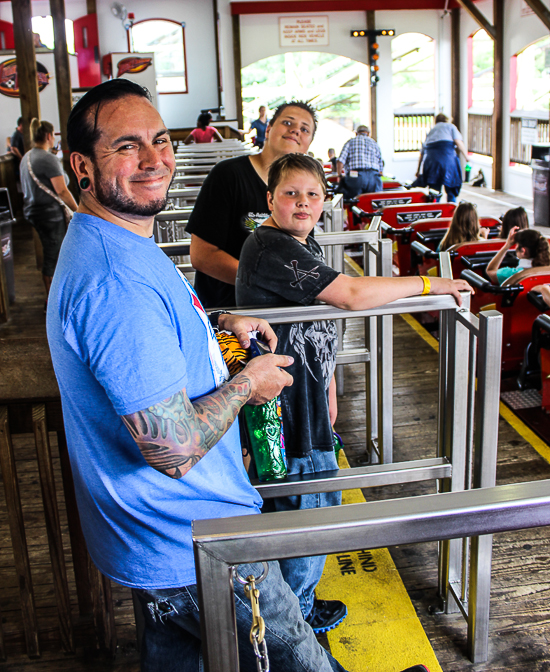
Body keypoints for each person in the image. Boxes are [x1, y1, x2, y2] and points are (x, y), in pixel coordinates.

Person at [47, 78, 354, 672]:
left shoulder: (116, 241)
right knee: (305, 664)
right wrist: (249, 383)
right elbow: (172, 447)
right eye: (126, 146)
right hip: (194, 544)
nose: (154, 159)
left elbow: (145, 345)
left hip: (157, 539)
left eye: (160, 140)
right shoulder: (114, 280)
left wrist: (214, 322)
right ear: (82, 168)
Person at [236, 153, 472, 633]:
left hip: (310, 403)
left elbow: (323, 325)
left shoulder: (307, 242)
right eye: (290, 193)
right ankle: (293, 626)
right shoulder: (269, 248)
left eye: (312, 194)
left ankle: (300, 603)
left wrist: (331, 386)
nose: (302, 202)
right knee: (301, 514)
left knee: (321, 505)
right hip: (282, 413)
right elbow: (351, 296)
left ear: (325, 201)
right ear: (269, 199)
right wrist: (432, 282)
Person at [187, 100, 317, 309]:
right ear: (268, 129)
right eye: (287, 122)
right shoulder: (228, 175)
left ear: (308, 143)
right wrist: (265, 283)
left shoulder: (305, 192)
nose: (295, 131)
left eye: (304, 129)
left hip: (284, 314)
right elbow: (202, 255)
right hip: (229, 313)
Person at [20, 118, 78, 306]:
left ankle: (54, 297)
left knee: (50, 251)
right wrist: (78, 211)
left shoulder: (27, 157)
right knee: (54, 254)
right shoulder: (48, 159)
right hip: (50, 215)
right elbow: (61, 190)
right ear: (48, 136)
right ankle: (52, 302)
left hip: (33, 212)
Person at [413, 113, 468, 203]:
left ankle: (435, 211)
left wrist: (418, 170)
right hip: (448, 161)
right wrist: (466, 156)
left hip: (432, 163)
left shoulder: (432, 131)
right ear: (447, 119)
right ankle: (452, 211)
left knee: (435, 192)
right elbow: (458, 142)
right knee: (451, 190)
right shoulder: (451, 127)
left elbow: (422, 153)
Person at [486, 227, 550, 284]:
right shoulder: (546, 271)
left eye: (516, 244)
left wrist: (507, 245)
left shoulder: (512, 274)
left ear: (523, 251)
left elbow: (490, 271)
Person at [335, 124, 384, 198]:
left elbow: (340, 161)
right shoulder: (374, 143)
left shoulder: (350, 142)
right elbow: (380, 165)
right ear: (368, 133)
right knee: (373, 203)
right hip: (374, 177)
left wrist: (339, 175)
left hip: (356, 176)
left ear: (356, 133)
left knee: (352, 202)